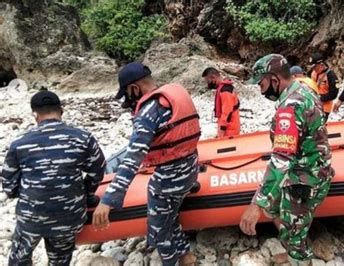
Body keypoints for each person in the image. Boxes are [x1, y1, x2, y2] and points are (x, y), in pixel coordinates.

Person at [92, 63, 200, 266]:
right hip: (191, 169)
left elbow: (133, 159)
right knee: (170, 214)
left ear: (134, 88)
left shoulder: (147, 112)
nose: (128, 100)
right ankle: (187, 256)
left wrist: (108, 200)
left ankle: (172, 262)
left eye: (127, 94)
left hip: (168, 180)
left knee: (158, 228)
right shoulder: (169, 98)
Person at [240, 54, 334, 265]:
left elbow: (282, 158)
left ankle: (298, 254)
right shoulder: (303, 89)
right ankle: (294, 243)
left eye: (261, 84)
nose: (261, 90)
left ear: (274, 79)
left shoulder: (290, 106)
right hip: (305, 169)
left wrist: (255, 204)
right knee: (274, 209)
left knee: (293, 236)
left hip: (305, 178)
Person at [1, 89, 106, 265]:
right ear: (61, 111)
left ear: (35, 115)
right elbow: (98, 171)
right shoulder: (83, 138)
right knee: (60, 261)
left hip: (31, 217)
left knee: (19, 259)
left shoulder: (20, 143)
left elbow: (9, 186)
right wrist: (85, 194)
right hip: (69, 216)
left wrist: (34, 193)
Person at [202, 67, 240, 137]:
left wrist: (222, 128)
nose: (208, 84)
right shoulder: (223, 88)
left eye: (208, 81)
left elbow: (227, 113)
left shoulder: (225, 90)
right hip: (229, 128)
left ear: (213, 77)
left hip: (229, 130)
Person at [309, 53, 339, 118]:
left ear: (321, 65)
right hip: (313, 105)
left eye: (314, 67)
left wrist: (320, 98)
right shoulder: (313, 73)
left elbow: (334, 94)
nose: (313, 69)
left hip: (324, 108)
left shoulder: (331, 76)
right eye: (312, 67)